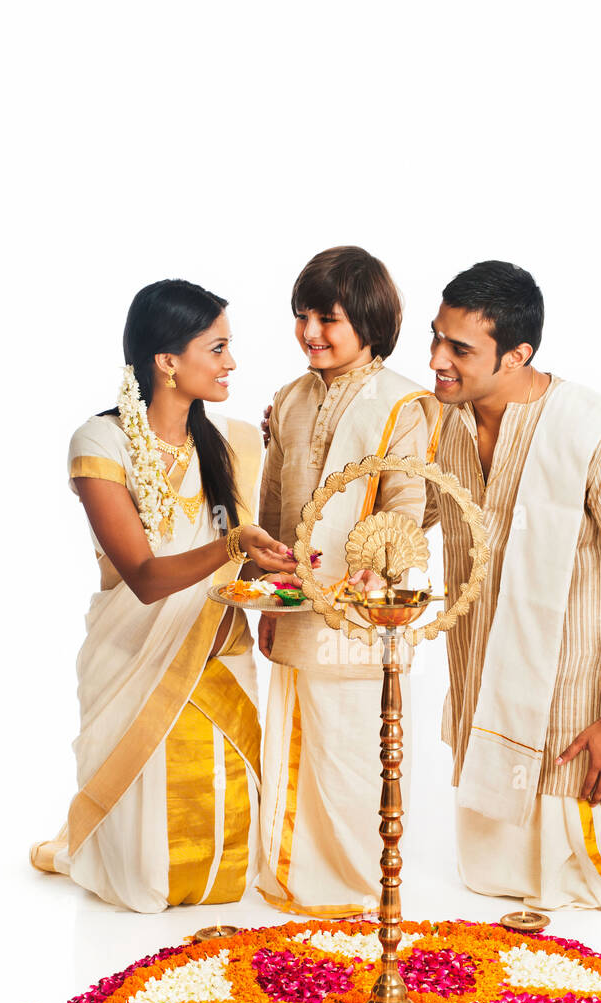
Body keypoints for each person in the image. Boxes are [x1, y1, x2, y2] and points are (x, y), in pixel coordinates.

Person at [424, 260, 601, 910]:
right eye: (436, 338)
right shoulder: (438, 423)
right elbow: (397, 512)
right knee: (489, 883)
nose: (437, 360)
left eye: (460, 349)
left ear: (517, 354)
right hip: (481, 684)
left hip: (575, 705)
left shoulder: (596, 432)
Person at [31, 279, 293, 913]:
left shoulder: (235, 441)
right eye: (218, 347)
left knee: (226, 842)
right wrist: (236, 548)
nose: (231, 363)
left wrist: (282, 577)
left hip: (217, 645)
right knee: (145, 867)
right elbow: (145, 580)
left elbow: (248, 557)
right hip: (135, 650)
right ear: (167, 362)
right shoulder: (101, 443)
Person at [256, 246, 441, 917]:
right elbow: (272, 505)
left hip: (365, 613)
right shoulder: (290, 399)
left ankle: (361, 882)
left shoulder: (403, 406)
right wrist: (270, 593)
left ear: (368, 321)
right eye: (302, 316)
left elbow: (407, 506)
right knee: (300, 732)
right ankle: (296, 876)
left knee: (356, 745)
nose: (310, 332)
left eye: (326, 319)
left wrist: (378, 564)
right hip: (298, 603)